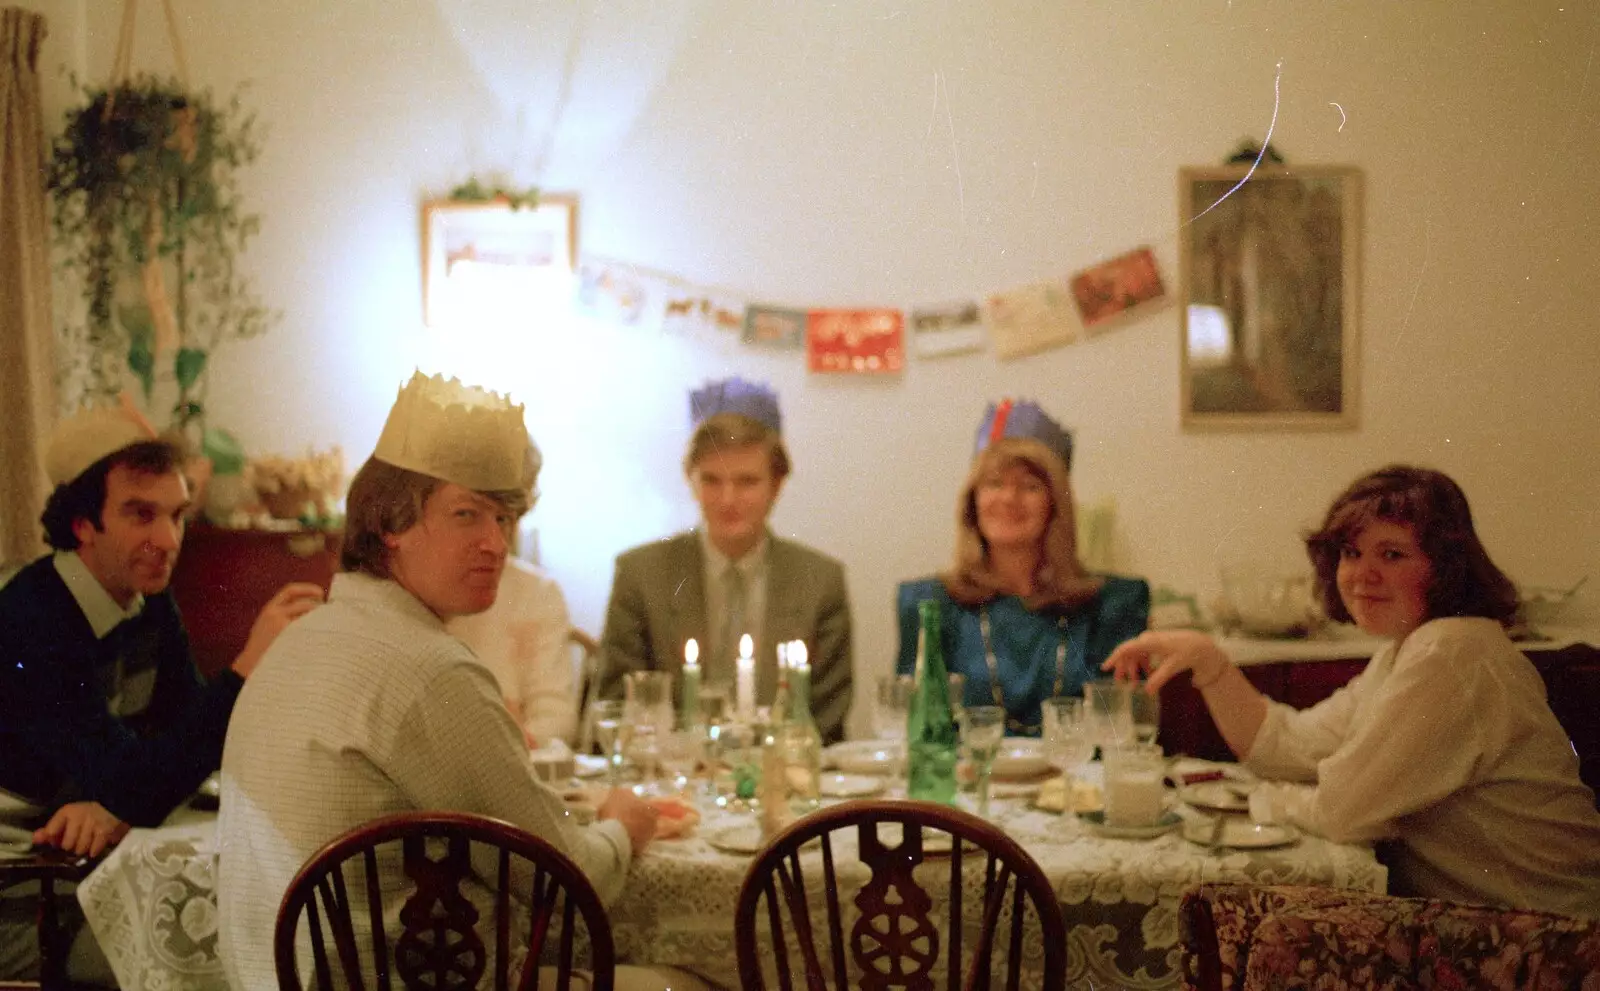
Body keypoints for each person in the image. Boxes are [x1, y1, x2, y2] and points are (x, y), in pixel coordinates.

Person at [215, 373, 684, 991]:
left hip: (267, 979)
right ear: (391, 524)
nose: (495, 542)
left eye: (504, 516)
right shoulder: (432, 670)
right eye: (467, 515)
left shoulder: (299, 640)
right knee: (692, 979)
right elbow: (567, 881)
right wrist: (627, 825)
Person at [1104, 465, 1600, 916]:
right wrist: (1209, 661)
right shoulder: (1405, 651)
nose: (1363, 576)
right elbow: (1286, 746)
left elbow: (1343, 814)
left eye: (1392, 554)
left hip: (1552, 942)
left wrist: (1257, 800)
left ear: (1445, 567)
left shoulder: (1451, 652)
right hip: (1496, 926)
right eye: (1350, 552)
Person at [0, 398, 322, 984]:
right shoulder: (29, 619)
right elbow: (141, 777)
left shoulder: (145, 600)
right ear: (82, 524)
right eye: (140, 515)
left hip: (87, 873)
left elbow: (183, 743)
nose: (167, 539)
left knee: (272, 929)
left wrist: (118, 799)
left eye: (176, 516)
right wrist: (247, 665)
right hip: (22, 898)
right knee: (239, 953)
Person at [599, 377, 853, 743]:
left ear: (776, 485)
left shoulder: (819, 582)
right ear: (691, 481)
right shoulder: (642, 574)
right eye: (712, 481)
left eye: (747, 482)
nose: (728, 499)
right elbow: (618, 704)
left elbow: (827, 719)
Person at [896, 400, 1149, 736]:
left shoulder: (1114, 605)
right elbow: (918, 735)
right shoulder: (929, 604)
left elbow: (1121, 731)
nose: (1008, 498)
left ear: (1055, 504)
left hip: (1077, 784)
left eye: (1030, 486)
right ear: (973, 503)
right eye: (994, 484)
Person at [449, 556, 578, 747]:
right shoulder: (410, 592)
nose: (496, 540)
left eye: (503, 523)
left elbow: (557, 716)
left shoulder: (539, 590)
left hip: (515, 760)